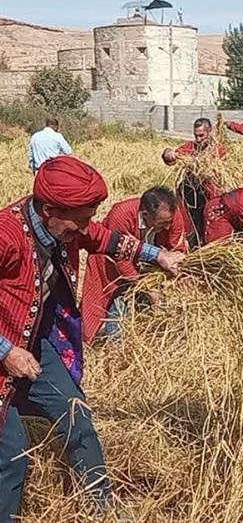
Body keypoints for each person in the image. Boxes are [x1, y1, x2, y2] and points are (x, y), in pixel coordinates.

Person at [0, 157, 183, 520]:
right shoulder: (6, 235)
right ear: (49, 208)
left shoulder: (67, 226)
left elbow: (106, 238)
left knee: (76, 414)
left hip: (32, 343)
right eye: (79, 219)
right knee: (12, 453)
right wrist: (5, 350)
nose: (85, 227)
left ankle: (101, 508)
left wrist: (159, 254)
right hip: (6, 348)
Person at [81, 186, 187, 344]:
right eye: (161, 223)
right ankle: (115, 346)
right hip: (111, 263)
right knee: (117, 301)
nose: (166, 227)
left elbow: (177, 247)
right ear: (145, 215)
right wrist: (146, 286)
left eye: (168, 222)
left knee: (144, 306)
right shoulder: (121, 215)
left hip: (151, 263)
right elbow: (120, 257)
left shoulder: (173, 215)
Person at [162, 118, 228, 249]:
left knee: (208, 222)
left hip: (209, 193)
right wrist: (168, 153)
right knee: (189, 223)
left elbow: (222, 172)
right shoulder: (190, 147)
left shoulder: (219, 150)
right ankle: (192, 246)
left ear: (209, 132)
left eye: (201, 136)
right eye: (195, 136)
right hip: (190, 193)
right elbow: (170, 157)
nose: (198, 139)